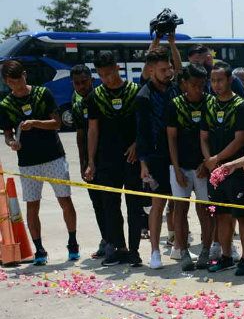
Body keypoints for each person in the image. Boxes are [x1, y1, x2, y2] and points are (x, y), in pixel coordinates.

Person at [0, 60, 79, 265]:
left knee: (65, 200)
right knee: (32, 206)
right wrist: (12, 143)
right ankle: (39, 249)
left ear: (25, 75)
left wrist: (35, 123)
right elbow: (7, 134)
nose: (16, 85)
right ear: (6, 82)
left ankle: (73, 243)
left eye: (19, 80)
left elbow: (57, 123)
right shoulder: (6, 105)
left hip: (53, 156)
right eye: (11, 82)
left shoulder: (42, 94)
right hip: (28, 162)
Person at [84, 51, 145, 267]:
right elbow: (93, 130)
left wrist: (138, 144)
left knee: (133, 205)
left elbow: (144, 125)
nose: (107, 79)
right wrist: (91, 161)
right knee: (110, 205)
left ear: (117, 68)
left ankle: (135, 250)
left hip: (131, 159)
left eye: (109, 73)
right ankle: (118, 248)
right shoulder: (95, 96)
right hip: (106, 160)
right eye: (102, 75)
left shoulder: (135, 92)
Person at [200, 61, 244, 276]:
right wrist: (209, 161)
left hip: (236, 171)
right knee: (221, 215)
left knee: (242, 216)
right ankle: (226, 256)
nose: (216, 85)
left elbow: (240, 140)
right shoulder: (209, 105)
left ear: (230, 80)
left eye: (220, 80)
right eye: (212, 81)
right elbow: (203, 137)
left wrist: (217, 158)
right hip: (215, 173)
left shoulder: (240, 106)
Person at [136, 47, 181, 269]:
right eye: (164, 69)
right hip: (155, 157)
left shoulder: (175, 89)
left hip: (179, 155)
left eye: (170, 68)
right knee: (158, 204)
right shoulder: (143, 96)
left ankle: (178, 245)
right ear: (151, 70)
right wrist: (144, 164)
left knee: (179, 202)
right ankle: (154, 251)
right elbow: (141, 133)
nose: (169, 72)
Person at [166, 64, 213, 271]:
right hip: (181, 168)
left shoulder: (211, 103)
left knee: (205, 210)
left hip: (203, 168)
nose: (198, 89)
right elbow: (172, 139)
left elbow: (212, 139)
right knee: (180, 209)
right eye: (194, 85)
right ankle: (183, 251)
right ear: (184, 83)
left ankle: (205, 250)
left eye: (202, 85)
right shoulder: (174, 105)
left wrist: (207, 163)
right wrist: (176, 169)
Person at [71, 64, 106, 260]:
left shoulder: (101, 99)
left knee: (110, 203)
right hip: (90, 163)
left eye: (84, 82)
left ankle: (116, 243)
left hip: (107, 158)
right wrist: (83, 163)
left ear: (92, 80)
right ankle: (105, 240)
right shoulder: (77, 106)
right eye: (77, 83)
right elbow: (80, 137)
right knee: (97, 204)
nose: (81, 86)